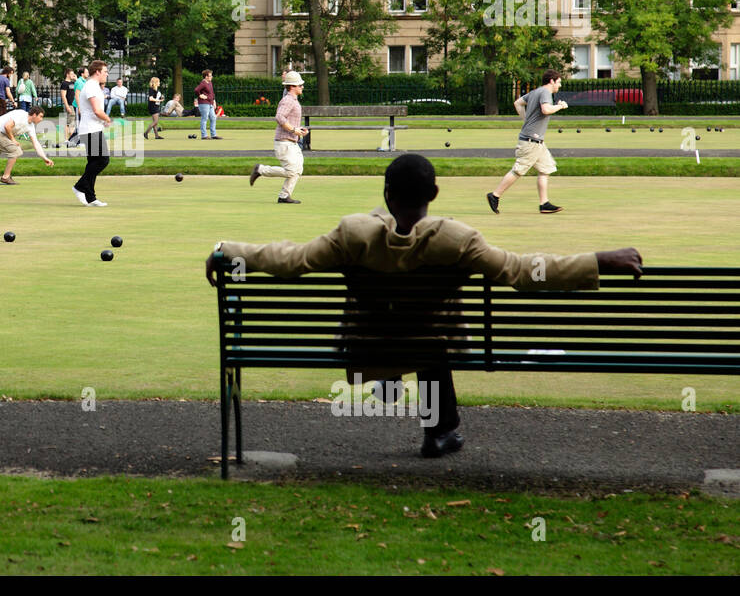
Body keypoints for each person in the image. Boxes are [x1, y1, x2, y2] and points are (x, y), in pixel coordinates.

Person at [206, 153, 643, 458]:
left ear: (386, 191)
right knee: (432, 332)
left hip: (369, 345)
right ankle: (439, 432)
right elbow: (522, 270)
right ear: (434, 191)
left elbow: (290, 260)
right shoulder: (457, 239)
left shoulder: (353, 233)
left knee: (397, 321)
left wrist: (228, 250)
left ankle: (388, 377)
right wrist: (599, 261)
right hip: (430, 343)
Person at [488, 68, 569, 215]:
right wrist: (560, 106)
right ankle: (495, 195)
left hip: (537, 142)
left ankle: (544, 204)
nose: (560, 85)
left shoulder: (535, 92)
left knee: (546, 168)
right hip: (531, 141)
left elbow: (518, 103)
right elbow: (545, 110)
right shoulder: (545, 92)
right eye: (559, 82)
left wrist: (526, 120)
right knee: (519, 170)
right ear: (551, 81)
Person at [249, 70, 308, 204]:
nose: (302, 87)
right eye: (299, 85)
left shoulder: (293, 100)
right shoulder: (288, 100)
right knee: (291, 171)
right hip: (284, 142)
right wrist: (294, 130)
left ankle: (284, 196)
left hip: (291, 141)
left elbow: (289, 120)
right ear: (292, 87)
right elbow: (279, 117)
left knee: (298, 169)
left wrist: (299, 130)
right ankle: (260, 169)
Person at [73, 59, 112, 207]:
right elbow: (97, 110)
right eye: (105, 72)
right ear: (97, 72)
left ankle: (91, 197)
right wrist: (107, 119)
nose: (106, 75)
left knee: (94, 162)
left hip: (93, 128)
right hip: (91, 129)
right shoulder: (91, 86)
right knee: (103, 160)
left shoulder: (94, 86)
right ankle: (79, 186)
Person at [195, 69, 220, 139]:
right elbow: (196, 90)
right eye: (210, 76)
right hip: (204, 103)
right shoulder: (203, 83)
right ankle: (204, 135)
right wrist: (200, 95)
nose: (211, 77)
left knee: (213, 118)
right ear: (206, 77)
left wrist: (214, 101)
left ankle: (213, 135)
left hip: (210, 103)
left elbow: (212, 93)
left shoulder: (210, 83)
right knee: (205, 118)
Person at [60, 68, 79, 146]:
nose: (73, 75)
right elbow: (63, 96)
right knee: (68, 123)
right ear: (67, 74)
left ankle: (71, 140)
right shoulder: (64, 83)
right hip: (69, 105)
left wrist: (76, 79)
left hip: (74, 105)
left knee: (72, 123)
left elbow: (79, 87)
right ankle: (66, 140)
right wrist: (67, 106)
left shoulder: (72, 83)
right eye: (71, 74)